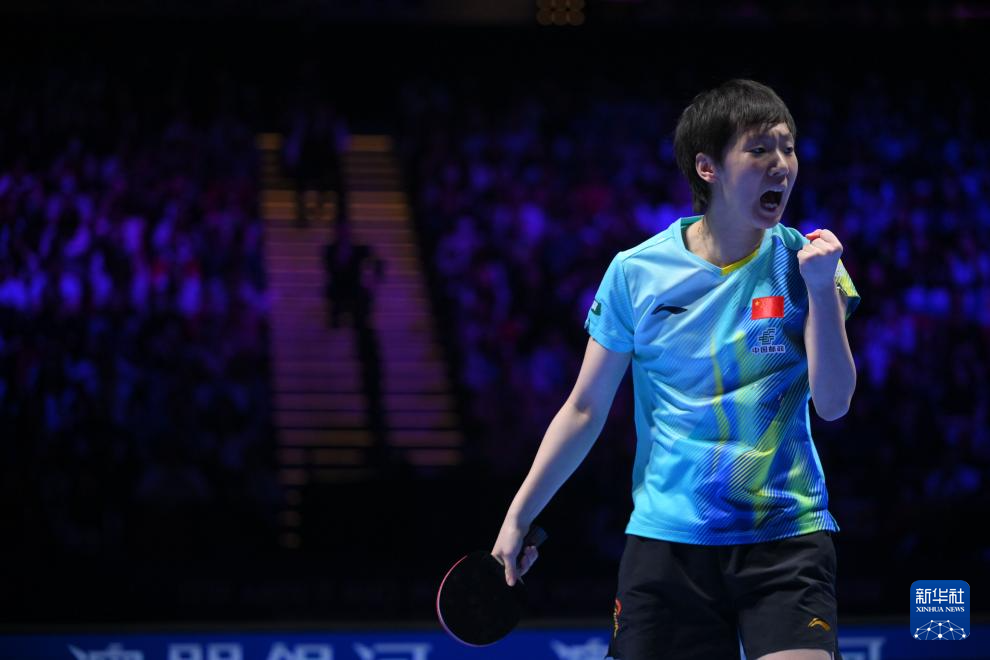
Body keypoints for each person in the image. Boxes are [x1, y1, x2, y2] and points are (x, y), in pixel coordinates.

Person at [491, 79, 860, 660]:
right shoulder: (636, 273)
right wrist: (519, 516)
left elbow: (834, 404)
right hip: (668, 543)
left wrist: (819, 289)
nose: (781, 165)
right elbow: (584, 409)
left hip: (786, 536)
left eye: (788, 148)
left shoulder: (811, 262)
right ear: (708, 168)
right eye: (759, 149)